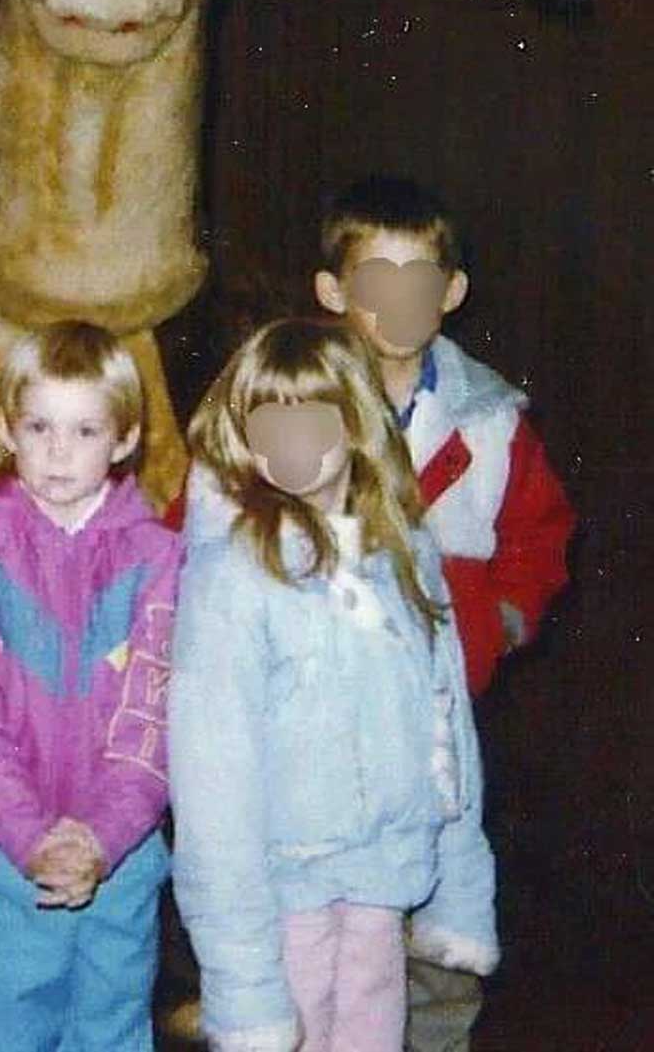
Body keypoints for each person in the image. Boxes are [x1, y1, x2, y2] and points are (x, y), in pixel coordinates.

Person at [170, 318, 497, 1052]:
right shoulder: (233, 576)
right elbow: (211, 782)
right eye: (270, 427)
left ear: (354, 425)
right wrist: (242, 980)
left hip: (382, 880)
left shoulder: (404, 556)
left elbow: (449, 733)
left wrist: (459, 892)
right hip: (285, 892)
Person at [314, 175, 574, 1050]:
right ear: (333, 292)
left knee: (436, 930)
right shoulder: (286, 403)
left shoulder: (489, 420)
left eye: (419, 279)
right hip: (316, 724)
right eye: (374, 279)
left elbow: (539, 534)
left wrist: (497, 623)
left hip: (436, 727)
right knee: (322, 939)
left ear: (453, 291)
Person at [0, 321, 181, 1052]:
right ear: (7, 428)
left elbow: (155, 713)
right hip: (7, 857)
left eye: (85, 429)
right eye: (39, 426)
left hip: (123, 855)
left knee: (113, 1031)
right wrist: (29, 835)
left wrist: (104, 835)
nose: (59, 451)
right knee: (9, 1032)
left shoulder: (160, 559)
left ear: (125, 438)